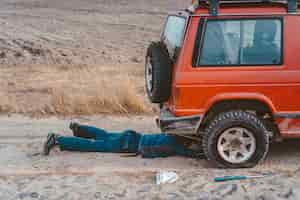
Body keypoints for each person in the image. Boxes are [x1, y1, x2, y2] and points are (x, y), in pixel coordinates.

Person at [43, 122, 201, 158]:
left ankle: (80, 129)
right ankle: (59, 140)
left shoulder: (174, 134)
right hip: (129, 145)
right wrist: (204, 154)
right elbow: (188, 152)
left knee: (104, 135)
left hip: (133, 136)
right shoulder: (176, 145)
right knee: (95, 146)